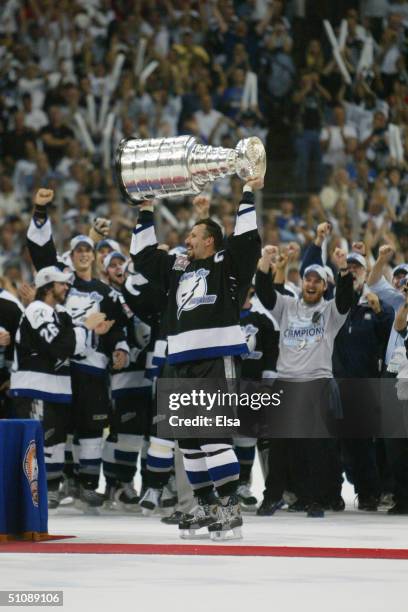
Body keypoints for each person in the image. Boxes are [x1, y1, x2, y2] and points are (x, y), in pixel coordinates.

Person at [131, 175, 263, 539]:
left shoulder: (228, 264)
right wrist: (145, 207)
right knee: (188, 439)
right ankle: (205, 507)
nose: (185, 240)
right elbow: (142, 257)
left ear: (210, 240)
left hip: (216, 357)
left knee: (213, 435)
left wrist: (250, 189)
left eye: (193, 235)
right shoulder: (177, 268)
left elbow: (248, 238)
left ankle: (230, 509)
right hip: (180, 361)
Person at [26, 189, 129, 510]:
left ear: (95, 256)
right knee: (57, 429)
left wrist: (121, 347)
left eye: (89, 250)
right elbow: (41, 251)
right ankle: (54, 486)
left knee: (92, 428)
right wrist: (41, 211)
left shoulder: (104, 292)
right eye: (79, 250)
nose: (85, 253)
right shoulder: (61, 286)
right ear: (70, 258)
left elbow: (117, 327)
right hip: (61, 369)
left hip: (94, 369)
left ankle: (87, 485)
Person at [255, 246, 354, 517]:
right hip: (286, 381)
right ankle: (272, 496)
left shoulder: (331, 311)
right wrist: (265, 259)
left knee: (315, 447)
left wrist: (343, 267)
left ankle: (314, 499)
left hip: (316, 382)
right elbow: (263, 292)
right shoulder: (287, 306)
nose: (311, 284)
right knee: (279, 445)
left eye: (316, 281)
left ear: (324, 286)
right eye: (307, 279)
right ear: (301, 282)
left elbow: (346, 298)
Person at [9, 265, 110, 509]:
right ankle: (33, 495)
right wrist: (84, 328)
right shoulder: (37, 309)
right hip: (35, 387)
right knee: (39, 442)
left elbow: (77, 348)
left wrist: (80, 332)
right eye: (62, 283)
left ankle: (49, 490)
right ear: (47, 286)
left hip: (55, 389)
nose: (67, 287)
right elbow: (58, 344)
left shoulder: (58, 313)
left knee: (54, 443)